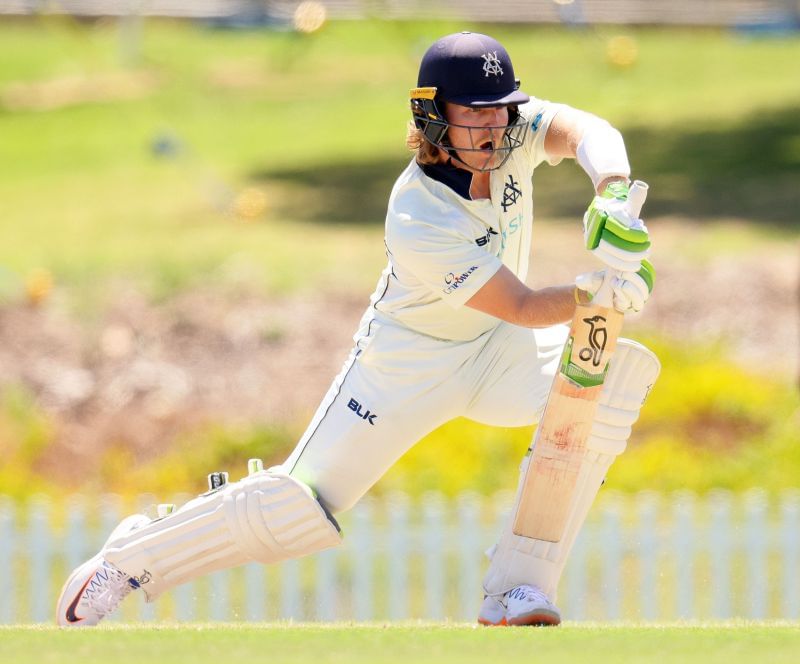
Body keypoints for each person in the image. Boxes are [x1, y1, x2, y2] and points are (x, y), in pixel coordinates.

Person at [56, 31, 659, 628]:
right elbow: (524, 306)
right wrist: (592, 296)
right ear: (431, 116)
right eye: (474, 114)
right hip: (405, 366)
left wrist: (609, 192)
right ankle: (133, 558)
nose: (493, 128)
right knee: (293, 507)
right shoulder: (417, 213)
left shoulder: (511, 133)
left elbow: (590, 132)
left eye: (501, 111)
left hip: (496, 352)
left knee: (605, 384)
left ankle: (518, 588)